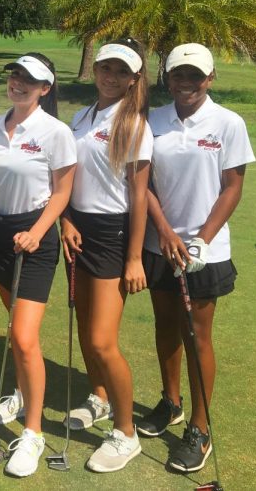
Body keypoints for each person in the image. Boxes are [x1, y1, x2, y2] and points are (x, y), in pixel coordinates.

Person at [137, 42, 255, 474]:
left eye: (194, 76)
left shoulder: (228, 123)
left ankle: (201, 429)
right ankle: (171, 403)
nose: (185, 83)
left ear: (210, 79)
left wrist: (202, 239)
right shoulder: (153, 121)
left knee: (197, 335)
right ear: (167, 77)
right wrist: (165, 233)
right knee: (165, 327)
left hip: (207, 251)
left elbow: (232, 186)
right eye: (178, 75)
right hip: (159, 244)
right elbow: (143, 184)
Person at [0, 53, 76, 478]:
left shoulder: (55, 132)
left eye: (29, 80)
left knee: (24, 335)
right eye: (15, 76)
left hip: (35, 240)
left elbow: (62, 191)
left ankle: (32, 433)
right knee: (13, 324)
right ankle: (19, 390)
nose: (18, 83)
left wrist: (37, 231)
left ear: (45, 89)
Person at [59, 39, 152, 473]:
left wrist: (134, 258)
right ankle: (97, 396)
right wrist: (66, 220)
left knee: (101, 339)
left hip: (114, 234)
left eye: (120, 71)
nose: (110, 77)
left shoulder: (134, 125)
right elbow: (70, 178)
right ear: (95, 69)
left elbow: (139, 196)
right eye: (105, 68)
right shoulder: (82, 116)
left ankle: (126, 432)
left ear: (134, 78)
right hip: (79, 228)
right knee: (83, 322)